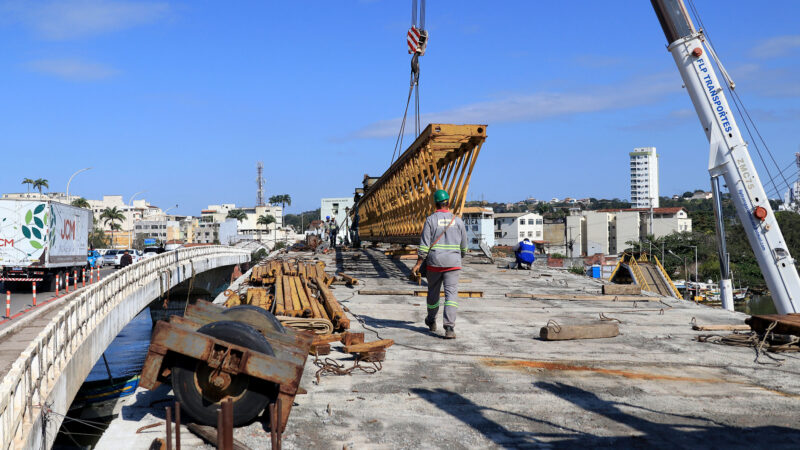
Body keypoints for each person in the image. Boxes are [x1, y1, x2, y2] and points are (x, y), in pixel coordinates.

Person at [411, 189, 468, 339]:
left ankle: (431, 321)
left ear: (435, 204)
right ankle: (449, 327)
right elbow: (464, 247)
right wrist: (457, 256)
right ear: (448, 203)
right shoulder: (458, 221)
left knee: (433, 294)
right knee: (451, 296)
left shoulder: (431, 220)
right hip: (453, 264)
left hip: (434, 263)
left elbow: (424, 246)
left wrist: (418, 264)